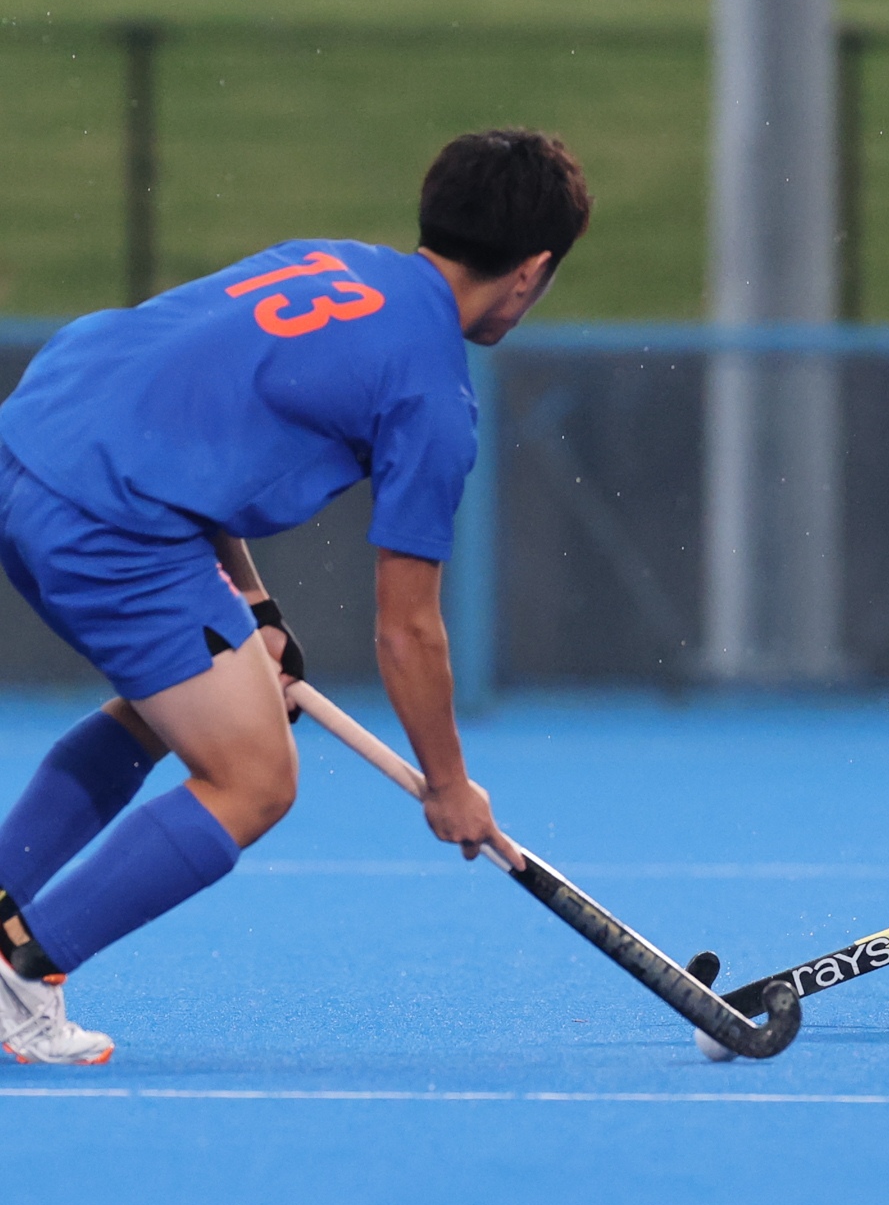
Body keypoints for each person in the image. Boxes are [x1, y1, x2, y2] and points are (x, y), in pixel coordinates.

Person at [0, 128, 590, 1065]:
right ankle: (20, 970)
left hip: (32, 445)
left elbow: (187, 423)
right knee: (255, 778)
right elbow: (408, 632)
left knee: (173, 712)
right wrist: (448, 786)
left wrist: (256, 611)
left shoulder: (328, 263)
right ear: (531, 273)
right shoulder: (432, 395)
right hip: (111, 519)